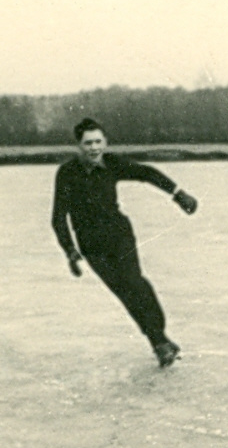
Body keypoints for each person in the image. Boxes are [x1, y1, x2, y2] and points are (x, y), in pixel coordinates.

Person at [51, 118, 198, 367]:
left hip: (119, 236)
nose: (94, 148)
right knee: (124, 294)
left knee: (134, 283)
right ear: (78, 146)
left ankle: (159, 341)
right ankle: (160, 342)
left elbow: (146, 173)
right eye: (88, 143)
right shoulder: (67, 173)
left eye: (98, 142)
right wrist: (70, 252)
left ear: (105, 142)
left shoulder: (112, 163)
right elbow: (58, 217)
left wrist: (177, 193)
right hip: (91, 245)